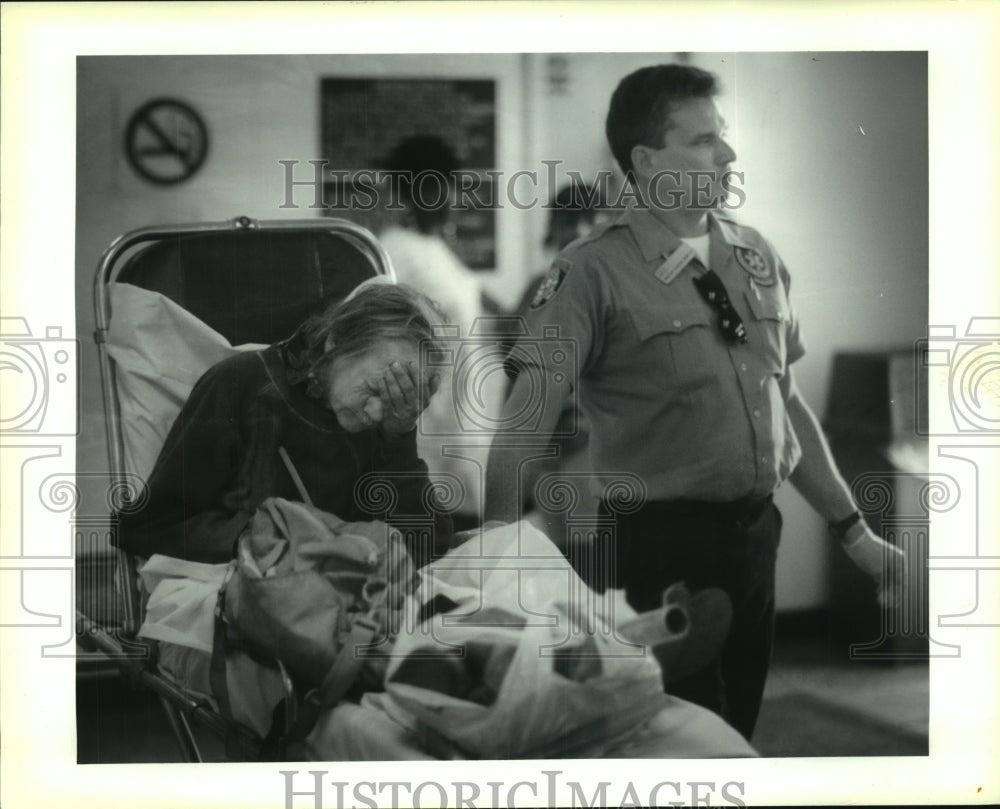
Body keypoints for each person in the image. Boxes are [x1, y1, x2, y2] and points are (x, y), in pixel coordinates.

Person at [484, 63, 904, 741]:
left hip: (755, 541)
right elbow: (522, 428)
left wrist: (855, 531)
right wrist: (492, 565)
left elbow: (788, 406)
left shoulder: (756, 256)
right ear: (647, 159)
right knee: (683, 747)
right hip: (655, 549)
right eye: (705, 139)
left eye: (725, 136)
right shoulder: (590, 272)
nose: (728, 154)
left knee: (737, 730)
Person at [116, 282, 455, 567]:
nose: (378, 412)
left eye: (398, 398)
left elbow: (427, 553)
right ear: (335, 342)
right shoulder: (239, 387)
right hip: (251, 594)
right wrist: (259, 540)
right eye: (372, 390)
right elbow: (146, 526)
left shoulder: (387, 422)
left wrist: (400, 440)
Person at [377, 135, 500, 530]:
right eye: (440, 188)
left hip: (468, 430)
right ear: (415, 192)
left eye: (450, 187)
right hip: (433, 439)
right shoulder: (394, 250)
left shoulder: (436, 250)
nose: (451, 199)